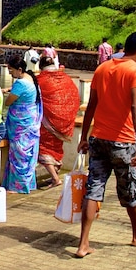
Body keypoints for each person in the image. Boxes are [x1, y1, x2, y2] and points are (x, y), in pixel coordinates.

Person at [75, 31, 136, 258]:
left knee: (94, 189)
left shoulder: (103, 68)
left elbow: (91, 105)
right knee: (130, 189)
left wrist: (83, 137)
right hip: (124, 140)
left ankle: (83, 244)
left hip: (98, 138)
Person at [36, 56, 81, 187]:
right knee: (56, 147)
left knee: (43, 147)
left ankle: (55, 178)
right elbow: (74, 97)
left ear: (41, 67)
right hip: (63, 121)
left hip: (48, 121)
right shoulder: (66, 79)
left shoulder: (41, 80)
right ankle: (55, 172)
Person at [3, 57, 41, 194]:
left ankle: (17, 186)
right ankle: (26, 183)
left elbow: (8, 102)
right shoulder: (30, 78)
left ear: (19, 70)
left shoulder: (20, 83)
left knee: (18, 154)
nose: (9, 73)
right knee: (26, 154)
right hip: (30, 120)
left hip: (20, 123)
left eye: (11, 70)